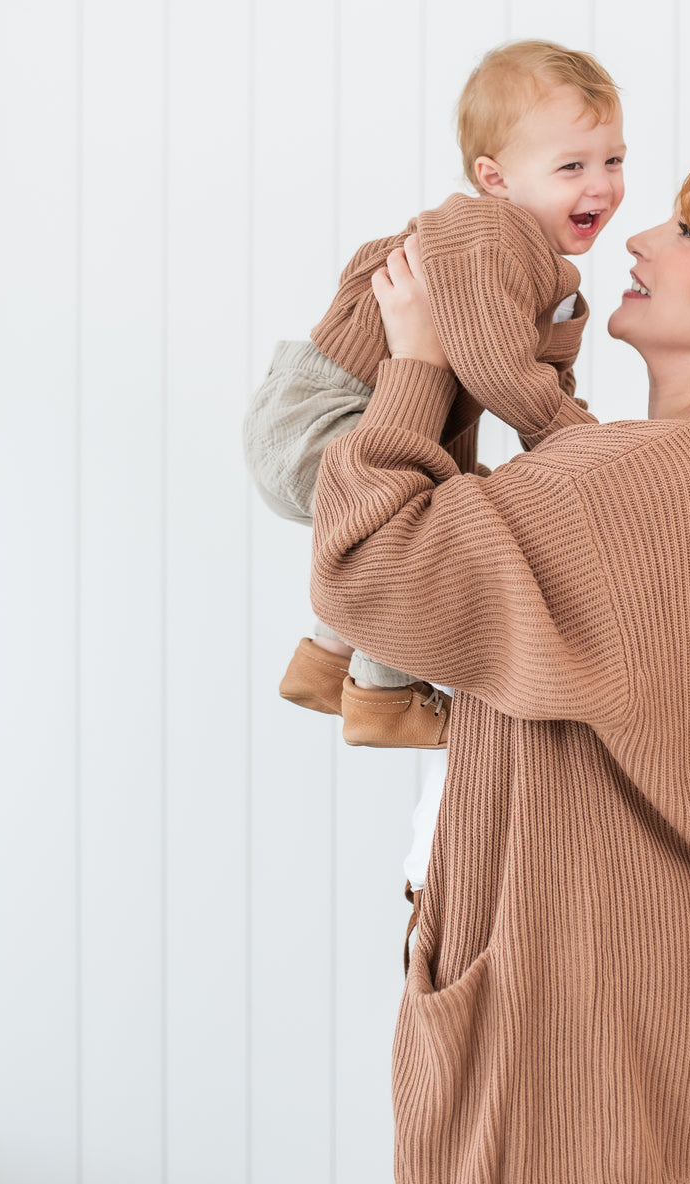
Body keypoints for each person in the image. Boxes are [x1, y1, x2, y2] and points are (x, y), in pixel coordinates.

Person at [307, 153, 690, 1181]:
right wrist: (526, 385)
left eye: (686, 233)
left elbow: (368, 568)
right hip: (652, 1026)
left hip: (583, 1047)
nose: (638, 238)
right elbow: (553, 510)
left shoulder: (657, 478)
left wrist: (418, 363)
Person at [244, 39, 625, 751]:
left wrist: (567, 435)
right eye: (571, 165)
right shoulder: (492, 232)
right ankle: (386, 697)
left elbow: (543, 381)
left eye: (614, 160)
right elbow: (497, 369)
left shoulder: (543, 271)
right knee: (444, 521)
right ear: (496, 177)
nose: (600, 185)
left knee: (477, 506)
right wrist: (589, 449)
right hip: (324, 420)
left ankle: (327, 662)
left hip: (332, 424)